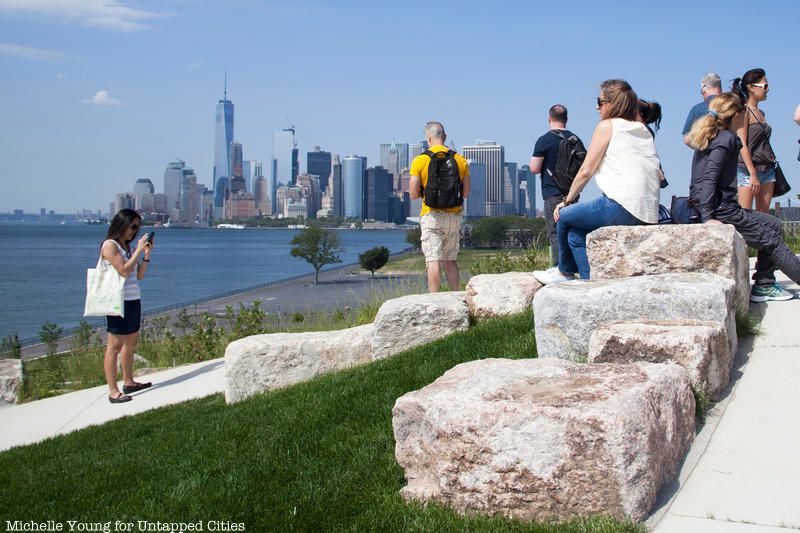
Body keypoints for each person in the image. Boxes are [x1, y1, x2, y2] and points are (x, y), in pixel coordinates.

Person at [533, 80, 661, 284]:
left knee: (564, 217)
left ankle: (563, 272)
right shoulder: (642, 129)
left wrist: (566, 201)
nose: (596, 107)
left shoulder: (607, 126)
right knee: (575, 234)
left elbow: (586, 171)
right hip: (648, 212)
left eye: (600, 102)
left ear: (612, 103)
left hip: (621, 205)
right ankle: (588, 282)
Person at [687, 92, 799, 302]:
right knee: (771, 241)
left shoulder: (715, 135)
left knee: (773, 224)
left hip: (723, 206)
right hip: (721, 209)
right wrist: (707, 216)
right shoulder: (726, 139)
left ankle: (764, 285)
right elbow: (709, 178)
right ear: (738, 115)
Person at [409, 121, 470, 292]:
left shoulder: (420, 160)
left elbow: (413, 194)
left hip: (432, 216)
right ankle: (457, 296)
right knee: (450, 259)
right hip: (454, 217)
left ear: (429, 138)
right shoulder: (460, 160)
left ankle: (434, 300)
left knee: (433, 260)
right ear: (445, 137)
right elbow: (465, 193)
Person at [101, 209, 154, 403]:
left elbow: (138, 275)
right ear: (121, 224)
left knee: (130, 344)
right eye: (133, 227)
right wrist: (139, 250)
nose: (135, 231)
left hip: (132, 299)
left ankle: (129, 381)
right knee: (114, 346)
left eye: (138, 228)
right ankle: (113, 391)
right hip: (117, 302)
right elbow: (123, 271)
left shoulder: (127, 248)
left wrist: (146, 255)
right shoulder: (110, 246)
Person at [529, 105, 583, 265]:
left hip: (553, 192)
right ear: (566, 119)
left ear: (549, 118)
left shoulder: (544, 140)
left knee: (555, 233)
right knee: (572, 232)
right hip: (572, 193)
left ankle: (560, 268)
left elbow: (534, 168)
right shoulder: (575, 139)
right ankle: (575, 266)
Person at [732, 68, 776, 212]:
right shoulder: (744, 111)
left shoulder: (761, 113)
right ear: (751, 87)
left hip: (767, 168)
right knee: (746, 216)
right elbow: (742, 144)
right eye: (765, 86)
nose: (767, 90)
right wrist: (752, 174)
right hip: (747, 170)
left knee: (764, 217)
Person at [683, 72, 722, 146]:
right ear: (720, 88)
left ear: (704, 88)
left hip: (704, 155)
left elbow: (687, 140)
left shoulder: (696, 109)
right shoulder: (731, 106)